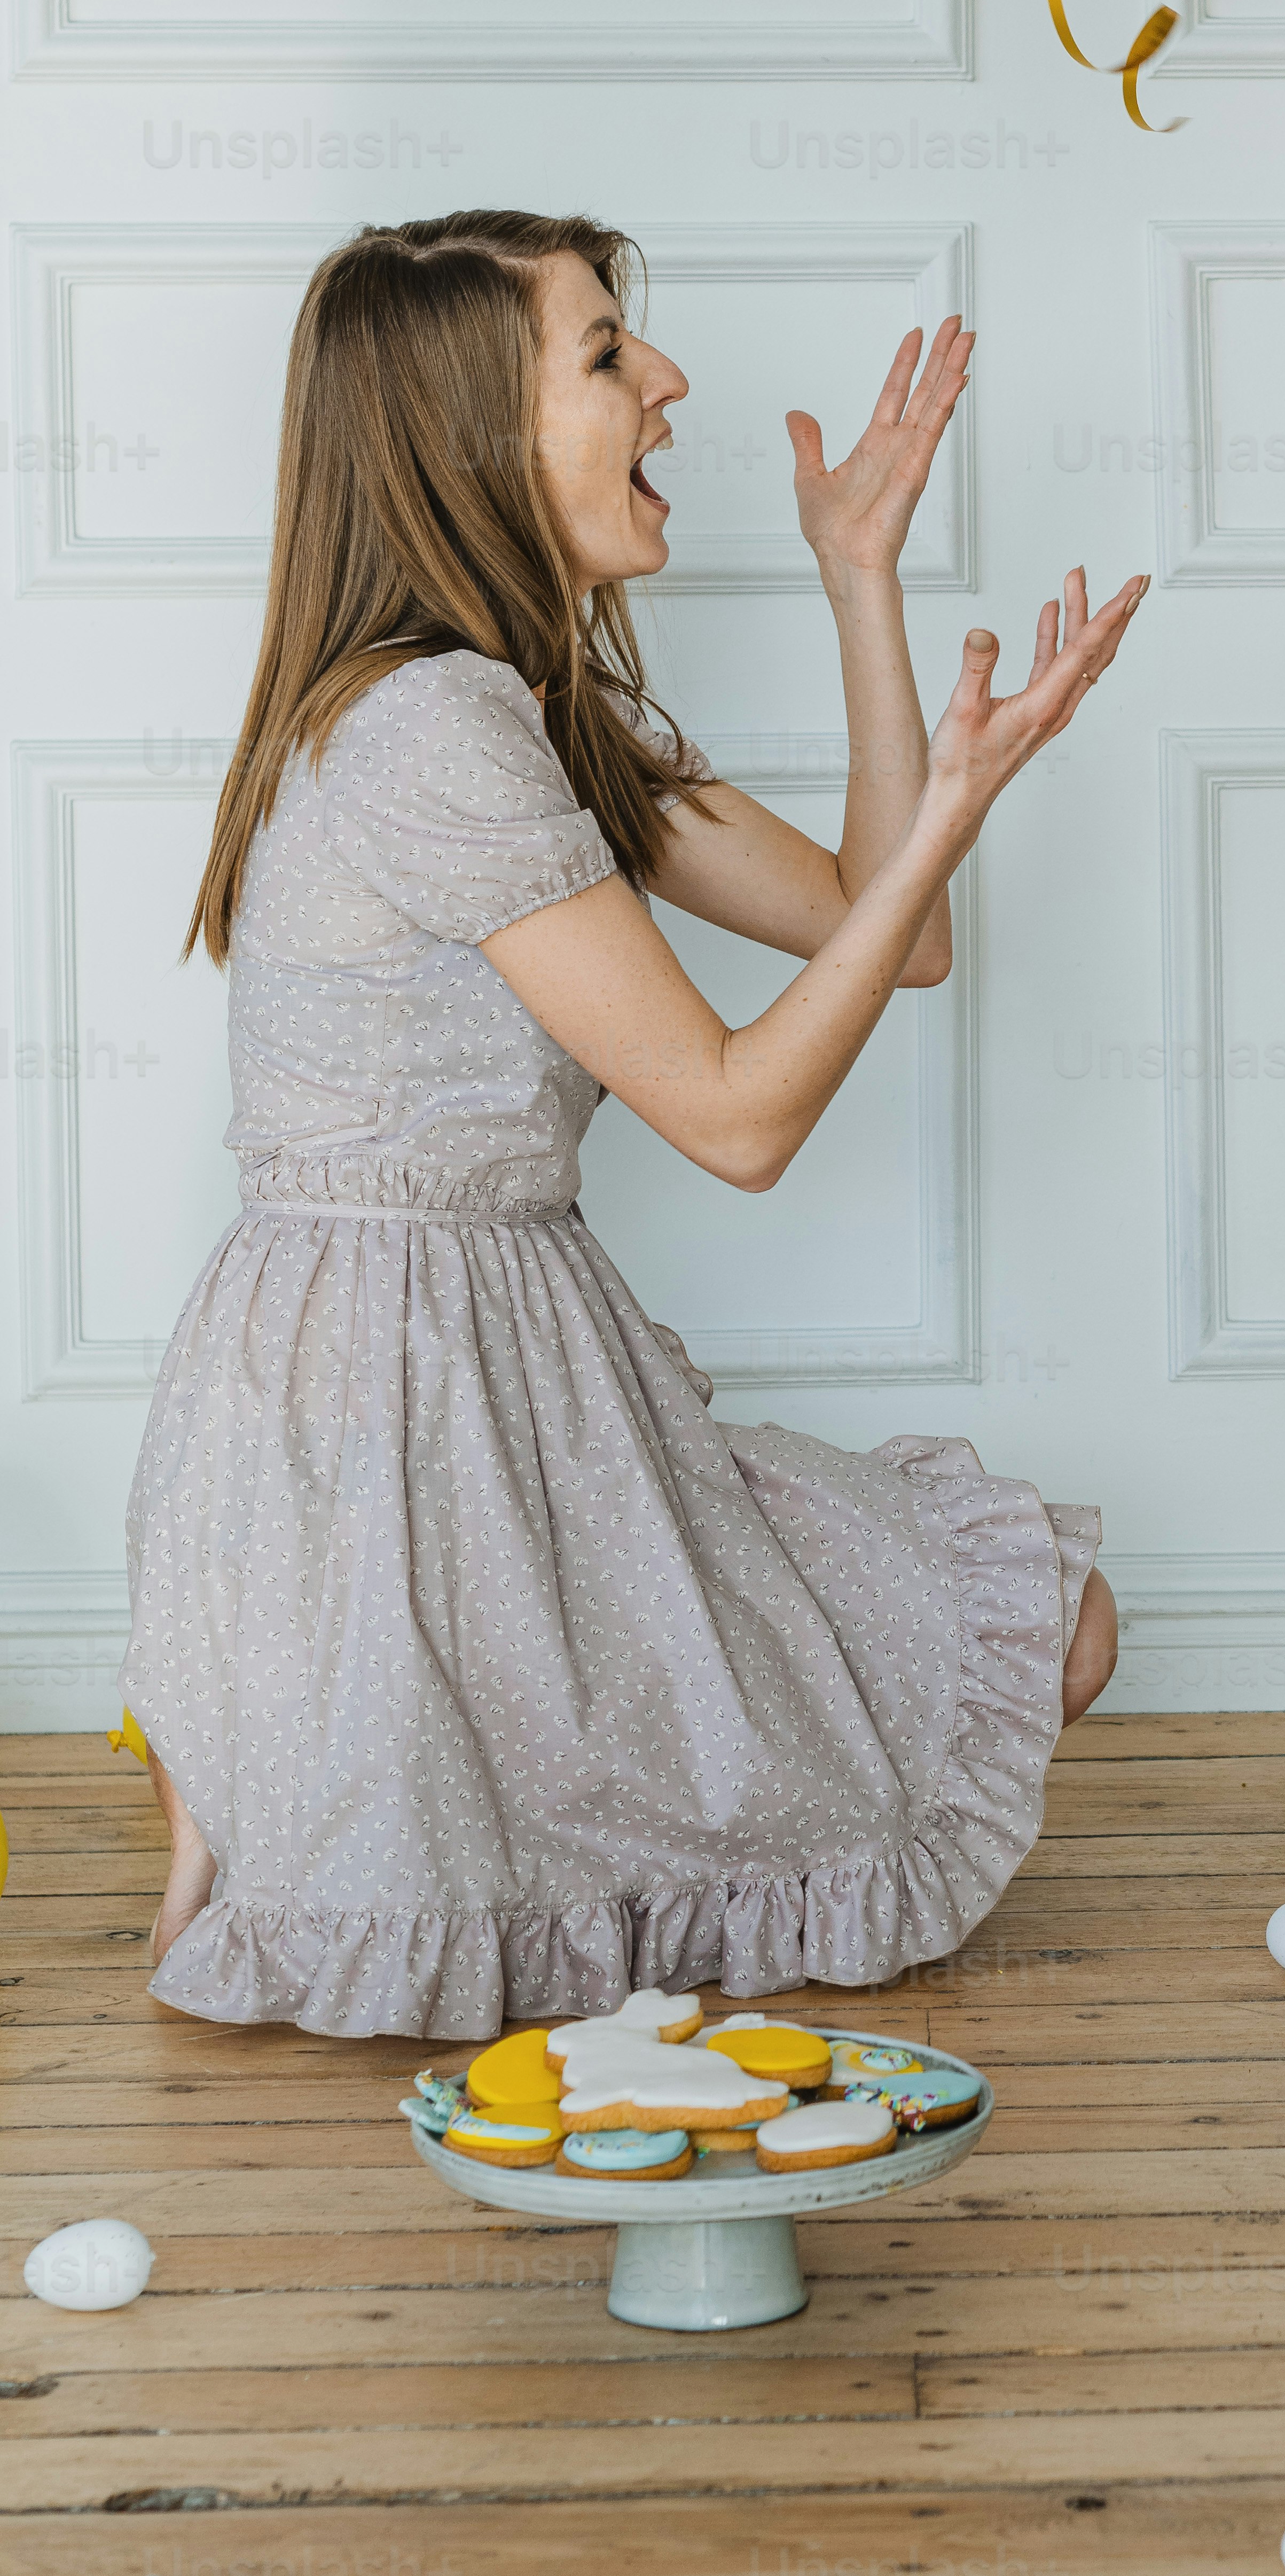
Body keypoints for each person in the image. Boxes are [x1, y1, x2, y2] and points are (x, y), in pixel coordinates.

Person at [127, 206, 1140, 2038]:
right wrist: (959, 808)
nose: (667, 382)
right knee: (477, 1882)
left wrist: (862, 585)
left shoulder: (532, 709)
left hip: (526, 1390)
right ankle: (272, 1723)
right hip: (394, 1434)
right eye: (608, 355)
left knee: (1049, 1628)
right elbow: (741, 1122)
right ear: (472, 441)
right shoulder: (435, 730)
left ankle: (266, 1749)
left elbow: (880, 938)